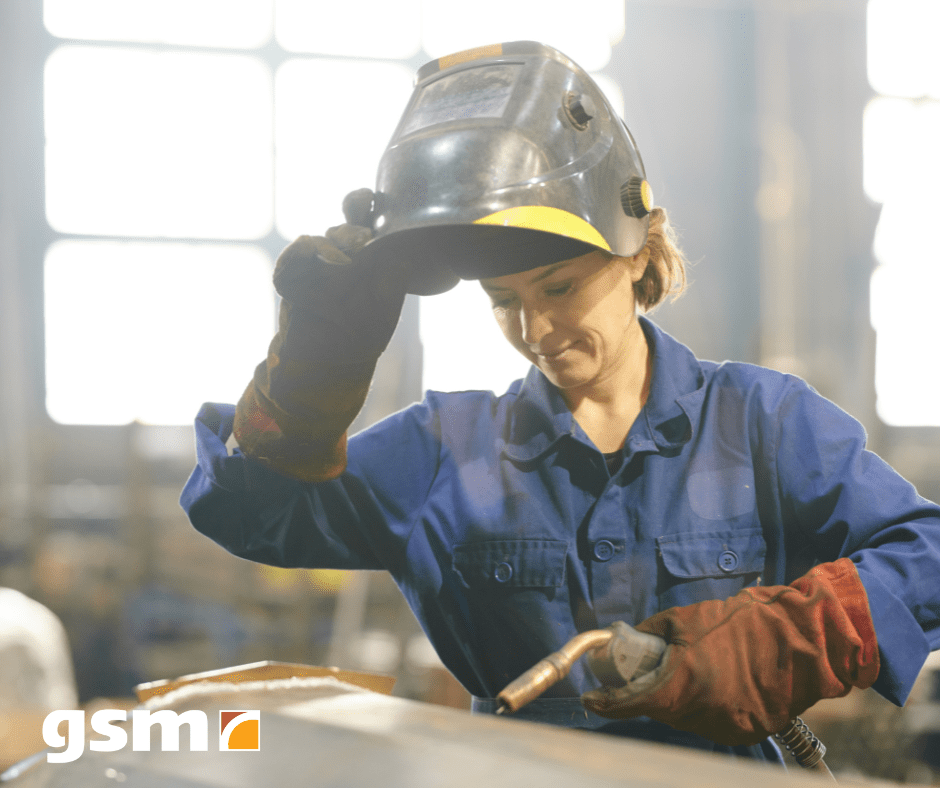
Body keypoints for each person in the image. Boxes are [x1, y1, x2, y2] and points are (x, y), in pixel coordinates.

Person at [181, 42, 940, 765]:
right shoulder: (444, 448)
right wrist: (311, 378)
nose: (535, 330)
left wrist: (784, 639)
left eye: (560, 287)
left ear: (638, 249)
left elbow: (928, 555)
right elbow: (252, 515)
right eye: (503, 300)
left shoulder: (763, 421)